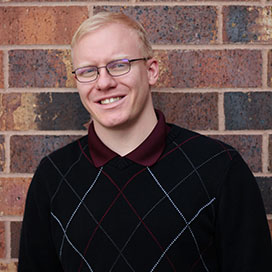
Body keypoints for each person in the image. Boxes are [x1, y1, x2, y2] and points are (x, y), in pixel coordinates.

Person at [18, 12, 272, 272]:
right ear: (77, 82)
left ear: (151, 71)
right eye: (88, 71)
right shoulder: (53, 177)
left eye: (119, 65)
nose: (103, 82)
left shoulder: (219, 169)